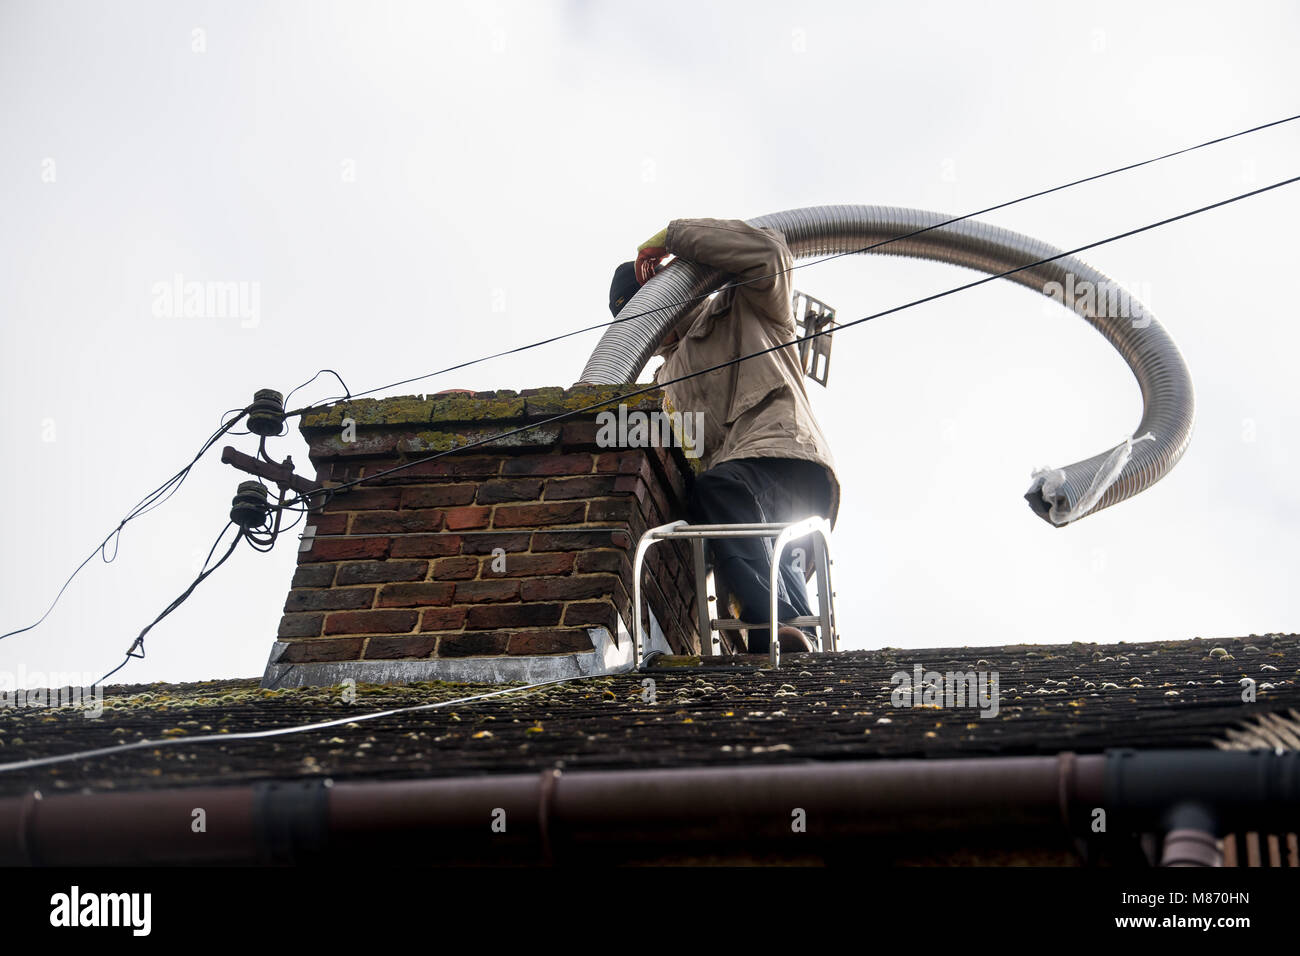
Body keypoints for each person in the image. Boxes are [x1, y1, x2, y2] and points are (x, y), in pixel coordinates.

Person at [607, 218, 840, 654]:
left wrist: (673, 236)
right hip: (746, 501)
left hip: (783, 455)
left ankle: (774, 623)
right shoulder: (665, 380)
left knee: (723, 490)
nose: (650, 329)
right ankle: (789, 640)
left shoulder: (744, 306)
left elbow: (768, 254)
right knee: (759, 539)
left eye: (648, 308)